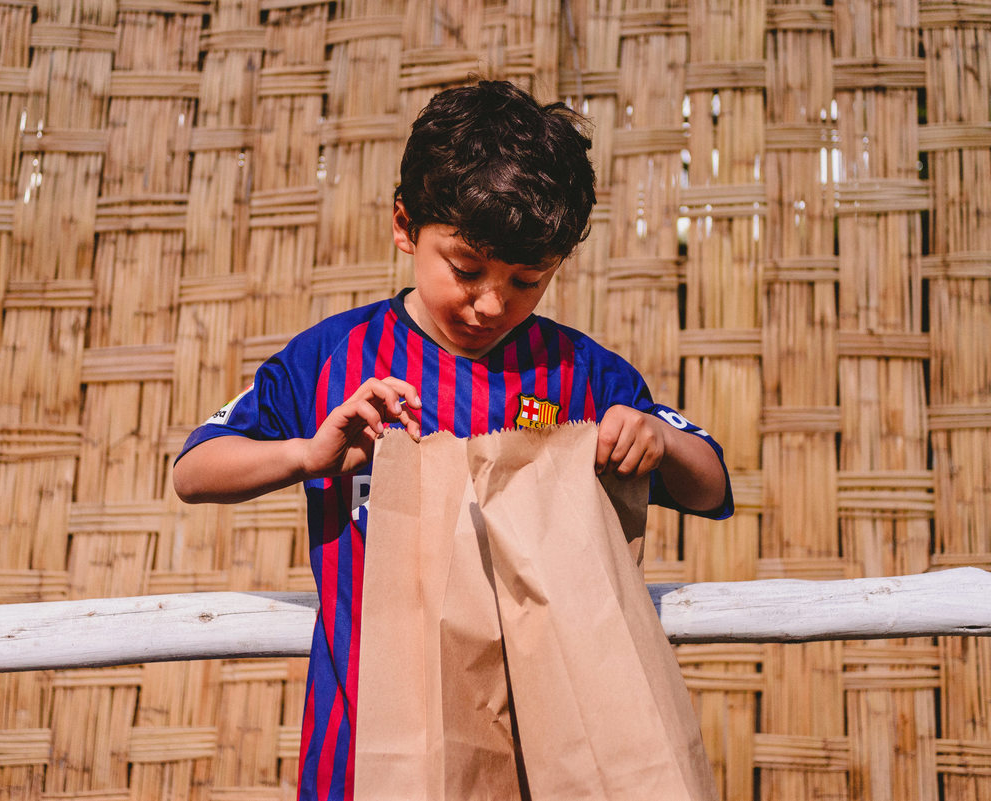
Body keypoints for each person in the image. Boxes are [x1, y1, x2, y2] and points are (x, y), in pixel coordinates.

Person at [173, 80, 733, 801]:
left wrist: (652, 436)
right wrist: (306, 455)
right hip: (365, 751)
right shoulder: (334, 359)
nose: (492, 302)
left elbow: (710, 481)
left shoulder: (580, 372)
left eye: (528, 280)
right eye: (466, 270)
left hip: (554, 752)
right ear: (405, 225)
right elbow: (195, 469)